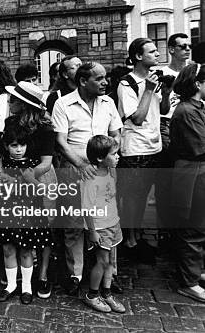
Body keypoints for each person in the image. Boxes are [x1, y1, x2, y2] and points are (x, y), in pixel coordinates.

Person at [51, 62, 123, 296]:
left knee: (106, 220)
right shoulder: (63, 104)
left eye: (105, 78)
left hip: (103, 171)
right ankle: (76, 274)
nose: (105, 82)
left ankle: (108, 274)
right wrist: (81, 165)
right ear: (83, 81)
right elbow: (61, 142)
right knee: (74, 224)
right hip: (74, 170)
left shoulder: (109, 102)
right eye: (99, 79)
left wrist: (106, 158)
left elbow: (116, 134)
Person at [0, 81, 55, 303]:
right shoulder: (10, 122)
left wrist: (23, 179)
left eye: (13, 100)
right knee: (10, 240)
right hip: (10, 187)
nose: (9, 102)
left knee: (38, 235)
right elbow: (2, 154)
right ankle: (13, 281)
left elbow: (46, 162)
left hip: (37, 179)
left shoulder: (45, 128)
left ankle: (40, 277)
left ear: (25, 104)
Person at [117, 38, 170, 251]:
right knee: (133, 197)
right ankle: (130, 239)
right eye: (153, 51)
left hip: (154, 146)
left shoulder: (153, 80)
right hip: (135, 149)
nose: (158, 54)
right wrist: (148, 89)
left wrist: (164, 93)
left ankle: (137, 234)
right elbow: (137, 118)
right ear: (138, 56)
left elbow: (163, 110)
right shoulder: (126, 83)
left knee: (143, 197)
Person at [169, 63, 205, 303]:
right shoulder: (186, 111)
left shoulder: (195, 108)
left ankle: (195, 272)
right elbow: (200, 147)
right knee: (192, 229)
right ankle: (189, 281)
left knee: (200, 227)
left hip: (198, 172)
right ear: (197, 84)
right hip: (193, 173)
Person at [81, 135, 126, 313]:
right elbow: (86, 208)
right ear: (100, 158)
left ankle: (106, 293)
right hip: (100, 226)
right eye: (114, 154)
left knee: (110, 262)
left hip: (113, 223)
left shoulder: (110, 171)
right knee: (102, 261)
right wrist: (92, 231)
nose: (117, 157)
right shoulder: (90, 180)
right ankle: (92, 295)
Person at [155, 33, 191, 230]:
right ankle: (166, 226)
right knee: (168, 176)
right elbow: (162, 107)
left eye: (188, 46)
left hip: (191, 126)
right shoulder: (163, 73)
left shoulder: (195, 72)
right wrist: (168, 93)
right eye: (182, 46)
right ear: (171, 50)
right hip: (168, 125)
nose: (187, 49)